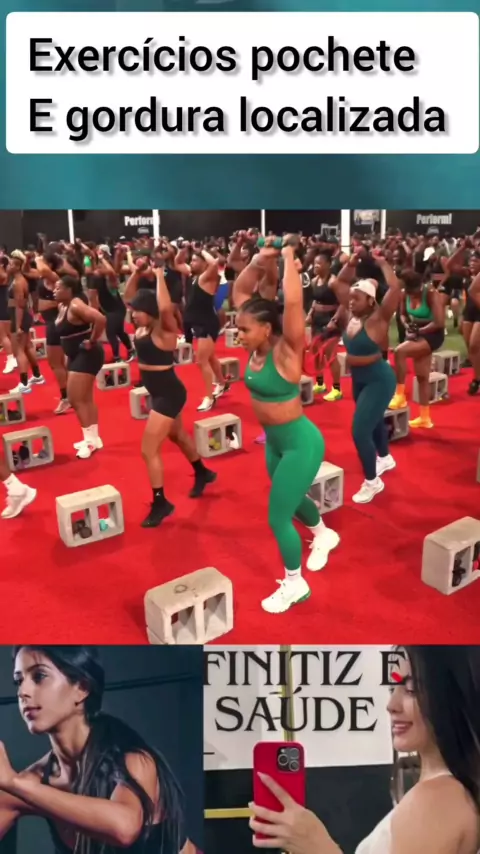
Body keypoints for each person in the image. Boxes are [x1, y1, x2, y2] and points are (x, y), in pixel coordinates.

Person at [248, 646, 480, 854]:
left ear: (452, 693)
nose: (391, 705)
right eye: (392, 687)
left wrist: (317, 845)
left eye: (411, 689)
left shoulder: (435, 799)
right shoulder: (446, 793)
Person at [0, 645, 195, 854]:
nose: (22, 692)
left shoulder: (134, 759)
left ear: (82, 688)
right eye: (19, 681)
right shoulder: (31, 781)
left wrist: (14, 783)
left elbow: (123, 828)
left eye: (39, 677)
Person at [233, 237, 339, 615]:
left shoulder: (287, 350)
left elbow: (293, 304)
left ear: (266, 329)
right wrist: (260, 259)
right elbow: (242, 289)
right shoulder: (256, 347)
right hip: (276, 443)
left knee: (277, 516)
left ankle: (295, 584)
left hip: (300, 443)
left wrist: (290, 256)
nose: (238, 335)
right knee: (291, 502)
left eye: (244, 330)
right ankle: (324, 533)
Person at [125, 264, 216, 528]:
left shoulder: (163, 329)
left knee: (148, 449)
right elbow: (128, 296)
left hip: (169, 394)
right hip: (158, 392)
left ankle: (161, 502)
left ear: (150, 312)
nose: (134, 316)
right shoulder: (141, 329)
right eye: (133, 312)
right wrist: (136, 273)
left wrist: (159, 276)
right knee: (178, 436)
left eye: (138, 312)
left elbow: (165, 308)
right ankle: (203, 472)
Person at [331, 253, 401, 504]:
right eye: (350, 298)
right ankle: (385, 457)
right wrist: (351, 263)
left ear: (371, 301)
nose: (350, 302)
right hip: (360, 380)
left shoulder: (377, 318)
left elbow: (395, 288)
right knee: (373, 421)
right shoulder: (354, 315)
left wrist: (382, 262)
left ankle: (372, 481)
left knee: (360, 431)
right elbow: (339, 284)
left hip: (379, 381)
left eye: (356, 298)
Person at [54, 276, 106, 459]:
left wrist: (92, 340)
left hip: (88, 355)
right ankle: (94, 438)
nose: (54, 291)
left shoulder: (76, 305)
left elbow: (100, 318)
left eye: (58, 288)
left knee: (76, 399)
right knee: (86, 398)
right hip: (76, 355)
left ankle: (89, 441)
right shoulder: (62, 306)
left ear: (69, 290)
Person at [389, 270, 445, 429]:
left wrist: (419, 331)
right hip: (416, 331)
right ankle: (425, 417)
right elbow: (402, 314)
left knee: (400, 351)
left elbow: (439, 322)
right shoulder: (404, 294)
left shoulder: (431, 294)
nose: (411, 295)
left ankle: (400, 395)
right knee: (422, 377)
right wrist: (407, 325)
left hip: (433, 334)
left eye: (413, 292)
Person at [176, 244, 227, 412]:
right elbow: (177, 262)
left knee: (201, 360)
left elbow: (214, 263)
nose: (191, 263)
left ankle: (209, 398)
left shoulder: (206, 278)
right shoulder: (193, 276)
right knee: (210, 357)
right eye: (191, 260)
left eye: (195, 260)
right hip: (198, 323)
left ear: (204, 263)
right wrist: (184, 249)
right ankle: (222, 383)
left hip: (207, 324)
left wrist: (201, 249)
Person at [86, 250, 134, 363]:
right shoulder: (97, 281)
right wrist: (93, 257)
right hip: (110, 310)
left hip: (117, 311)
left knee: (111, 333)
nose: (97, 269)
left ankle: (117, 358)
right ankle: (131, 350)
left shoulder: (110, 282)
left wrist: (102, 258)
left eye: (99, 268)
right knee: (119, 332)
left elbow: (111, 271)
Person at [7, 252, 45, 395]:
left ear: (17, 267)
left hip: (19, 318)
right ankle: (37, 375)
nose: (8, 266)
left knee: (19, 351)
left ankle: (23, 384)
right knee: (27, 347)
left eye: (11, 264)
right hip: (22, 317)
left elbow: (20, 306)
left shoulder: (18, 282)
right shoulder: (17, 279)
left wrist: (17, 327)